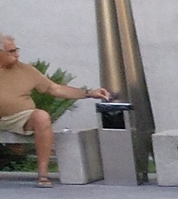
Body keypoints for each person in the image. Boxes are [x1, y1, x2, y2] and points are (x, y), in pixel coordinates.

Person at [0, 35, 111, 187]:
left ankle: (43, 175)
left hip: (20, 117)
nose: (17, 54)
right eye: (11, 51)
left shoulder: (26, 70)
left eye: (16, 50)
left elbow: (55, 89)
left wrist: (88, 93)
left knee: (42, 117)